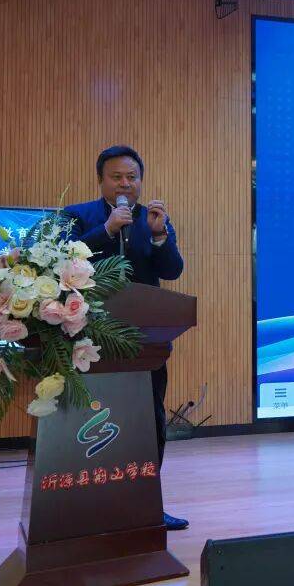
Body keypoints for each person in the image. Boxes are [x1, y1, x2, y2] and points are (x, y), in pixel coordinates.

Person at [63, 145, 188, 531]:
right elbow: (63, 262)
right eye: (116, 177)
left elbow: (172, 271)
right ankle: (83, 508)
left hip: (144, 344)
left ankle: (146, 505)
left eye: (132, 177)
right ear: (101, 180)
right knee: (89, 420)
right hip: (88, 339)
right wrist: (107, 230)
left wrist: (159, 236)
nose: (125, 184)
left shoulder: (153, 219)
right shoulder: (77, 216)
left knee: (148, 422)